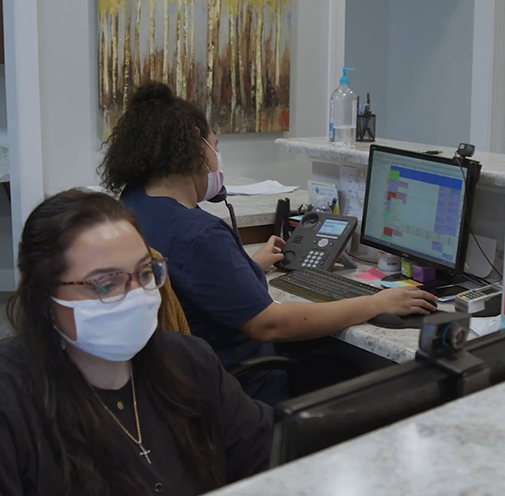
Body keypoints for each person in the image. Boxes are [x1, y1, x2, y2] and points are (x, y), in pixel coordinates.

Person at [0, 190, 272, 496]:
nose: (136, 296)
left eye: (144, 274)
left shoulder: (189, 361)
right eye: (106, 285)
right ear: (44, 298)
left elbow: (270, 457)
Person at [101, 82, 437, 404]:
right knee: (366, 375)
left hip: (181, 379)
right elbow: (270, 324)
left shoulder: (132, 206)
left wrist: (252, 263)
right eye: (215, 147)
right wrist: (378, 303)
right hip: (242, 388)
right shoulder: (199, 234)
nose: (217, 160)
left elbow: (192, 279)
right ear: (195, 149)